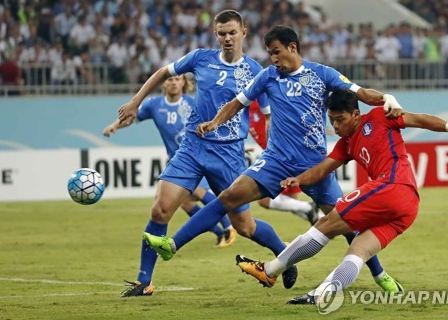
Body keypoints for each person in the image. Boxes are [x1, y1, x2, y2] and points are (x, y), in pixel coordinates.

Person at [144, 25, 406, 293]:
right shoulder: (268, 76)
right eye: (270, 54)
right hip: (274, 161)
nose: (274, 59)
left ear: (292, 47)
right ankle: (172, 245)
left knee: (347, 223)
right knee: (228, 198)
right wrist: (214, 122)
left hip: (314, 164)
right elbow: (237, 103)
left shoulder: (321, 74)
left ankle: (380, 274)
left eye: (277, 52)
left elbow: (361, 92)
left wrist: (386, 98)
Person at [117, 11, 299, 295]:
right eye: (221, 33)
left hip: (229, 156)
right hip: (192, 147)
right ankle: (144, 281)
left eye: (232, 32)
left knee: (245, 226)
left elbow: (268, 116)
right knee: (160, 209)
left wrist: (273, 151)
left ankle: (284, 253)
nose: (227, 38)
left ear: (244, 32)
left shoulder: (255, 72)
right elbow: (163, 72)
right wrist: (135, 101)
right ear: (216, 34)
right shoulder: (201, 58)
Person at [237, 90, 448, 305]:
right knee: (359, 249)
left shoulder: (380, 116)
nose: (336, 126)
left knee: (325, 224)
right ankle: (322, 295)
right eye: (332, 120)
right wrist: (299, 179)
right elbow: (322, 169)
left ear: (356, 114)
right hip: (408, 207)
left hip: (392, 185)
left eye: (340, 119)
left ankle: (269, 271)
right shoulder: (346, 144)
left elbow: (417, 120)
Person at [104, 75, 237, 297]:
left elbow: (221, 118)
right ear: (164, 84)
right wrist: (116, 125)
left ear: (184, 83)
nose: (173, 83)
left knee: (198, 194)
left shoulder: (194, 103)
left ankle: (228, 227)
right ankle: (218, 231)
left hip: (201, 159)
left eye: (177, 79)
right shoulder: (154, 105)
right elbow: (132, 116)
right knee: (174, 206)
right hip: (178, 163)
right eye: (169, 80)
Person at [248, 100, 319, 225]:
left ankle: (311, 209)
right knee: (292, 200)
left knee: (264, 200)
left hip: (284, 157)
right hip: (283, 156)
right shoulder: (245, 107)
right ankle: (319, 220)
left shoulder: (264, 101)